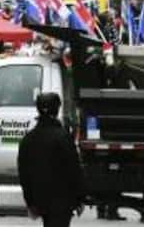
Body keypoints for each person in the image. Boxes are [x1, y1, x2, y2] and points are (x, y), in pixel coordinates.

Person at [18, 93, 85, 227]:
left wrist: (30, 202)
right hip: (62, 201)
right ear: (57, 109)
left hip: (40, 200)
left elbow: (24, 174)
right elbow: (74, 170)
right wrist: (79, 198)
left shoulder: (28, 139)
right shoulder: (63, 137)